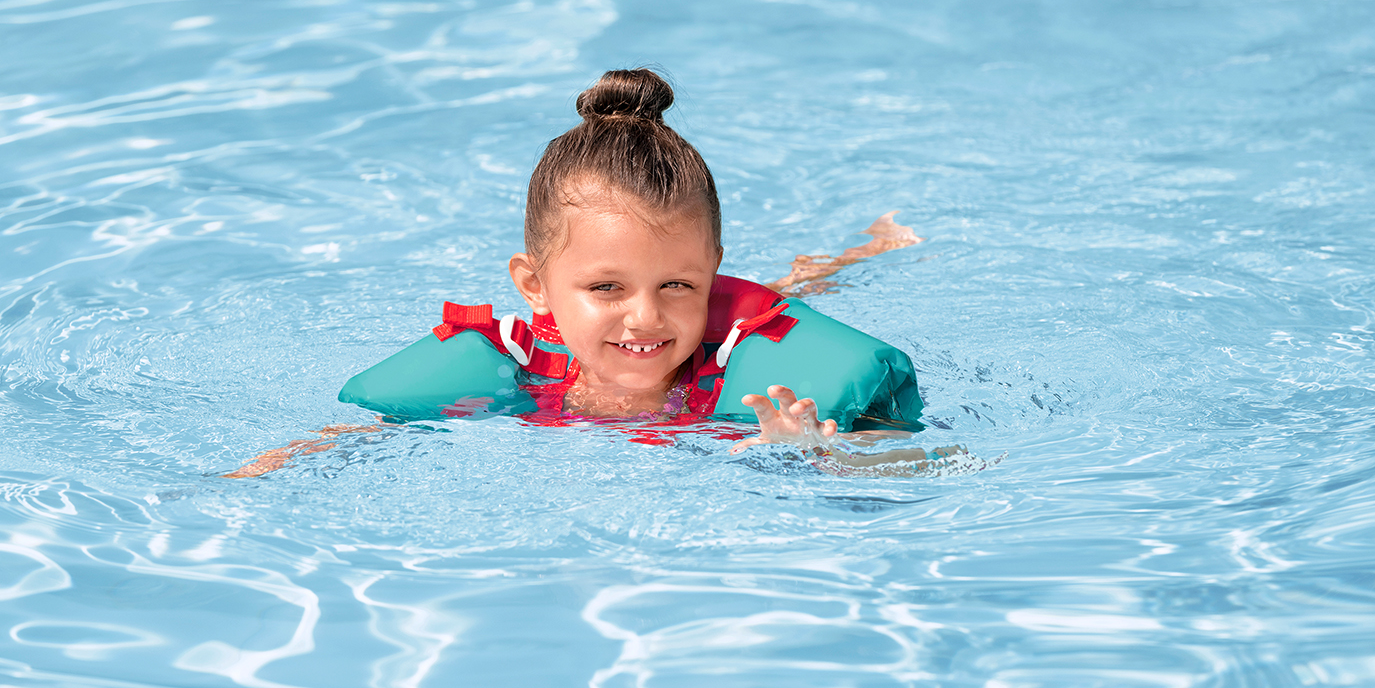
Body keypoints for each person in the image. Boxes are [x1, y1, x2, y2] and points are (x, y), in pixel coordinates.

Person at [227, 68, 950, 478]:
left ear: (710, 271)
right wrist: (271, 466)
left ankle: (851, 256)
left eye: (679, 286)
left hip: (738, 336)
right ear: (534, 285)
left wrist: (819, 457)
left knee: (778, 300)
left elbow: (930, 471)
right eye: (606, 288)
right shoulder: (523, 362)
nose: (644, 318)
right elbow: (360, 435)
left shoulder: (748, 378)